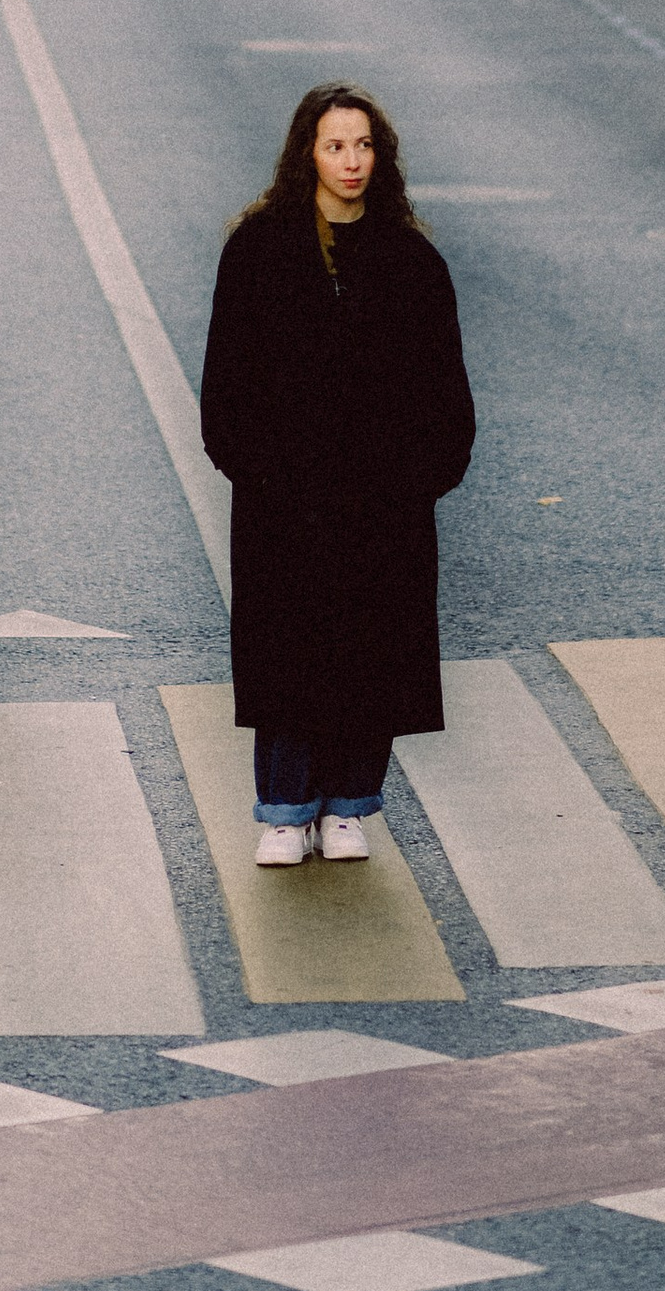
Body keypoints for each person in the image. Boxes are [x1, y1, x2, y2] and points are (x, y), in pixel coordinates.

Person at [198, 80, 475, 868]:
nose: (351, 161)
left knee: (369, 652)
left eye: (363, 145)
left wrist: (418, 482)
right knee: (289, 650)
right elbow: (227, 383)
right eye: (334, 145)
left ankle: (350, 803)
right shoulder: (259, 251)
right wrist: (254, 471)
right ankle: (285, 810)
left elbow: (446, 392)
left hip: (382, 505)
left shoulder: (410, 260)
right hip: (284, 502)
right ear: (306, 155)